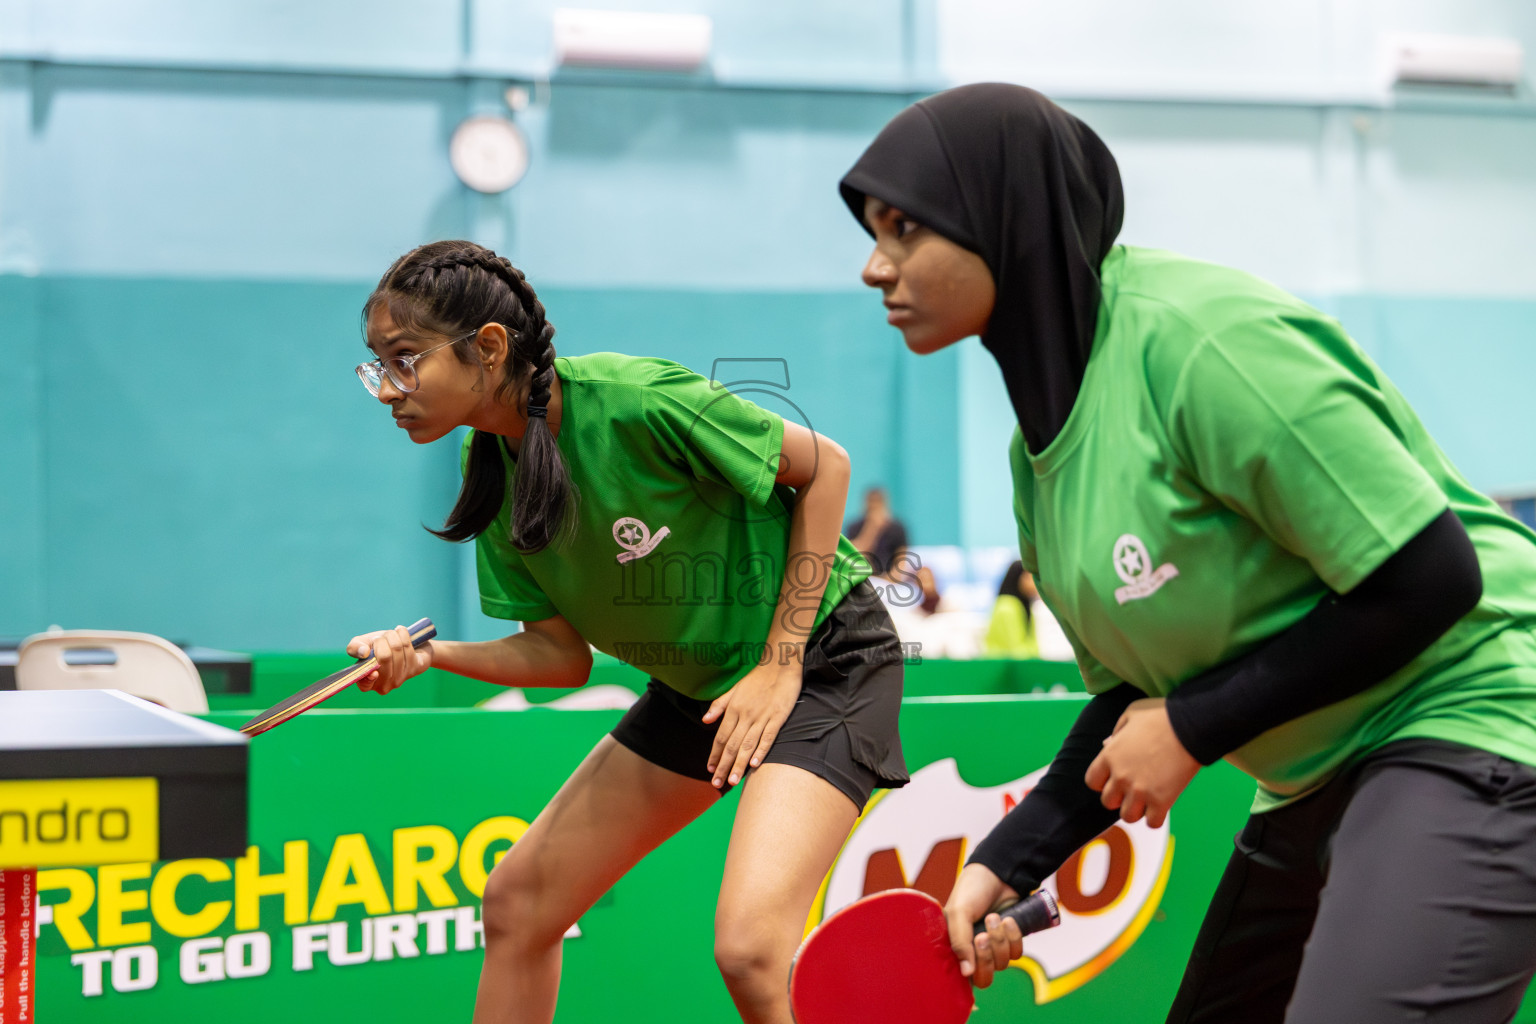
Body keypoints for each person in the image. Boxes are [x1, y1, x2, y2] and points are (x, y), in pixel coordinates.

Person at [840, 83, 1536, 1023]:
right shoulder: (1037, 463)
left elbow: (1433, 577)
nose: (874, 268)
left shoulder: (1204, 343)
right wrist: (1000, 867)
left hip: (1476, 716)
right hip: (1310, 773)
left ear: (1005, 216)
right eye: (872, 234)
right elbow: (1136, 701)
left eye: (905, 228)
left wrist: (1196, 725)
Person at [345, 240, 908, 1024]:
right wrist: (430, 655)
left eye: (404, 361)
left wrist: (779, 664)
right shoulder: (495, 468)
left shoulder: (634, 399)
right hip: (699, 689)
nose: (387, 390)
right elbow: (559, 656)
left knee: (750, 951)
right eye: (377, 366)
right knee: (518, 904)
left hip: (823, 659)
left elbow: (827, 467)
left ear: (489, 347)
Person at [845, 486, 909, 578]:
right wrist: (872, 528)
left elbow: (901, 559)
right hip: (864, 576)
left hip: (888, 578)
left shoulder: (897, 528)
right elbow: (856, 554)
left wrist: (892, 577)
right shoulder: (854, 527)